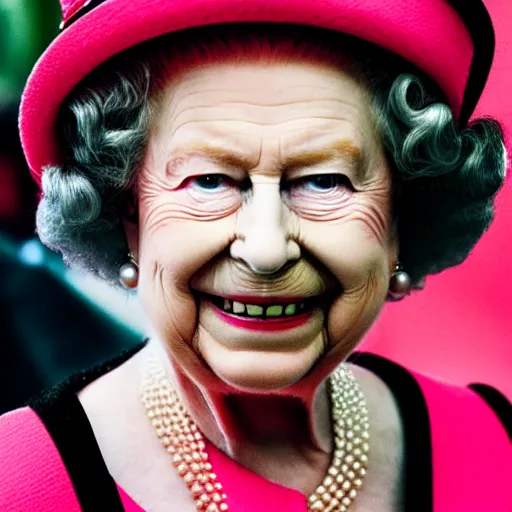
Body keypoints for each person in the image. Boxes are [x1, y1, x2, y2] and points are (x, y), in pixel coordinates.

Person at [1, 1, 511, 511]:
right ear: (126, 213)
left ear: (402, 217)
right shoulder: (18, 483)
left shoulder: (492, 447)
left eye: (323, 180)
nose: (265, 250)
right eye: (209, 181)